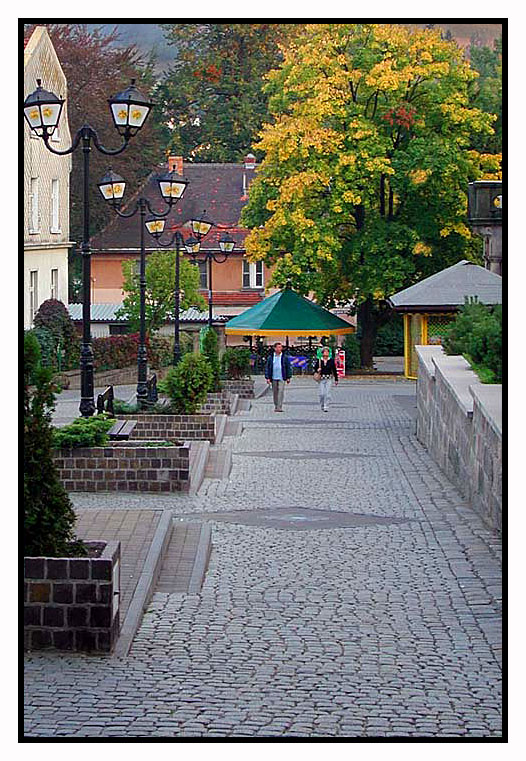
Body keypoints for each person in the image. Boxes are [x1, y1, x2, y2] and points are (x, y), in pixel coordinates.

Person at [264, 341, 292, 412]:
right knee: (275, 392)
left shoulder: (284, 357)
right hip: (273, 377)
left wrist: (288, 377)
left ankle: (279, 406)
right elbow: (267, 367)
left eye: (281, 347)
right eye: (278, 347)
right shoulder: (271, 357)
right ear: (275, 348)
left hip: (282, 377)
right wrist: (267, 377)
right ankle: (276, 405)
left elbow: (288, 367)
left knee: (281, 391)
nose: (280, 349)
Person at [313, 346, 338, 412]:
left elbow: (334, 370)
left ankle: (326, 405)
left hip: (328, 378)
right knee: (322, 394)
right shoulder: (319, 360)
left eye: (327, 352)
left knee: (327, 393)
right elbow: (315, 368)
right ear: (322, 353)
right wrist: (317, 369)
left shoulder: (331, 361)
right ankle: (322, 404)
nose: (326, 353)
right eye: (325, 351)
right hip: (321, 378)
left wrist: (336, 379)